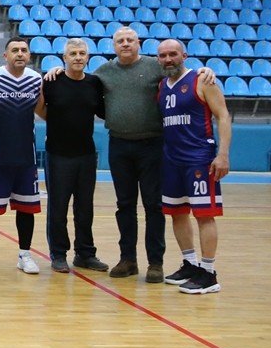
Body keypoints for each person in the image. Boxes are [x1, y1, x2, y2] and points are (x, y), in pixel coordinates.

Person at [46, 27, 215, 284]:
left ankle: (155, 263)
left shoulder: (156, 66)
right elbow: (72, 83)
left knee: (154, 206)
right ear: (113, 46)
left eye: (130, 40)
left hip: (152, 146)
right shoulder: (102, 74)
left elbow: (181, 72)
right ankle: (128, 259)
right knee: (124, 205)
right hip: (120, 146)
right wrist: (56, 70)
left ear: (138, 43)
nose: (125, 44)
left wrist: (205, 70)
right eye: (120, 41)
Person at [156, 39, 232, 295]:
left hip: (199, 159)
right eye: (163, 55)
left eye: (173, 54)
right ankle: (190, 263)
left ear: (184, 55)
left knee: (204, 215)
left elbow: (223, 116)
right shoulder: (162, 86)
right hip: (171, 160)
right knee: (177, 213)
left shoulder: (202, 80)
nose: (168, 59)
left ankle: (209, 273)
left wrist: (222, 154)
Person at [37, 38, 108, 274]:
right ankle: (58, 254)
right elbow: (40, 107)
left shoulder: (94, 83)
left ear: (87, 58)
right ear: (64, 58)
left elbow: (103, 110)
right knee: (58, 208)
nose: (78, 57)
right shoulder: (52, 81)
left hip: (86, 155)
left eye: (82, 53)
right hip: (58, 154)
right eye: (73, 53)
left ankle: (85, 253)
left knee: (85, 207)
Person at [0, 37, 43, 275]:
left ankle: (25, 254)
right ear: (5, 55)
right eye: (14, 50)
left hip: (26, 157)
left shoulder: (36, 80)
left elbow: (43, 111)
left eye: (24, 50)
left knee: (27, 209)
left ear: (30, 56)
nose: (20, 54)